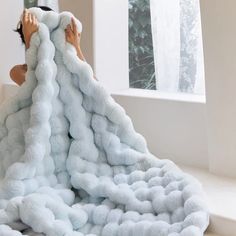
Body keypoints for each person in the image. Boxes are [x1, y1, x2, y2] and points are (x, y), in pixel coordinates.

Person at [10, 6, 97, 86]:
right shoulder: (19, 70)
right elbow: (40, 89)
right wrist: (30, 39)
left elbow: (95, 87)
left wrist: (76, 47)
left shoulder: (69, 66)